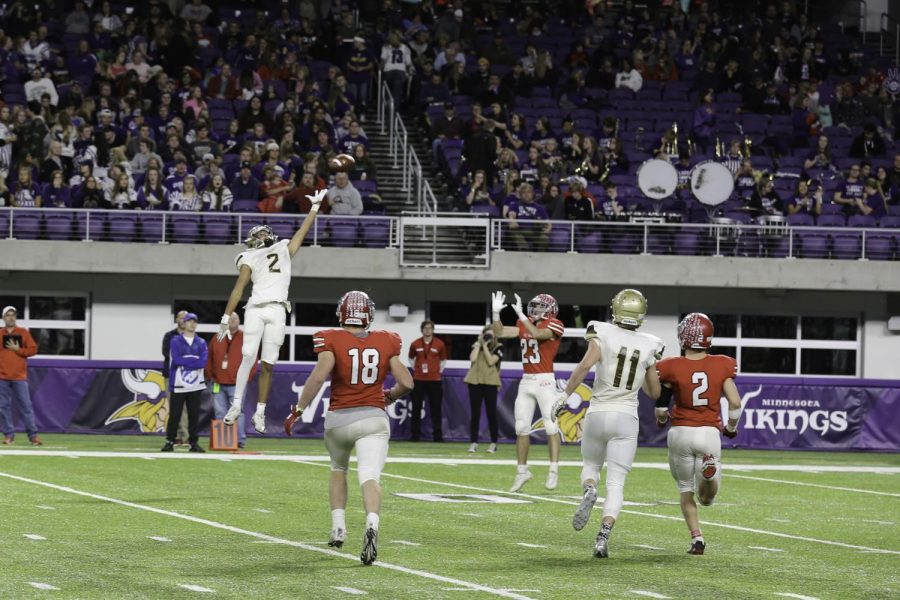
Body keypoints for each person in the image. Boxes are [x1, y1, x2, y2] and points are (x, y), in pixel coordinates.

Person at [283, 291, 413, 565]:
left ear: (342, 312)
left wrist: (298, 410)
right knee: (369, 476)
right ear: (368, 314)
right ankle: (372, 524)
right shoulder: (386, 340)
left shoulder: (331, 338)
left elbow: (319, 377)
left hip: (339, 419)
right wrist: (389, 396)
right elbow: (407, 383)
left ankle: (338, 527)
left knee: (338, 469)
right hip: (373, 418)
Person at [550, 289, 663, 559]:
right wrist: (648, 367)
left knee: (591, 466)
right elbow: (655, 393)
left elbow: (584, 365)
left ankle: (589, 488)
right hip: (626, 417)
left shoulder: (602, 332)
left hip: (599, 412)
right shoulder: (650, 343)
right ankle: (603, 536)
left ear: (616, 309)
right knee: (617, 483)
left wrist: (564, 395)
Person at [220, 188, 328, 433]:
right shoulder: (249, 256)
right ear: (252, 238)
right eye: (259, 231)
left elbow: (302, 233)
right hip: (256, 307)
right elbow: (238, 289)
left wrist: (314, 208)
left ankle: (260, 412)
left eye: (265, 230)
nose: (265, 232)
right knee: (248, 356)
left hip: (278, 309)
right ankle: (236, 406)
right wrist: (226, 317)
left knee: (269, 364)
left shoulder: (282, 248)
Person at [655, 313, 741, 555]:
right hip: (708, 432)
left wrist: (662, 419)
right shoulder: (722, 364)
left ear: (683, 337)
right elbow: (734, 402)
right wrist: (731, 429)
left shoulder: (670, 366)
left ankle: (697, 539)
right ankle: (708, 473)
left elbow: (661, 408)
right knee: (707, 499)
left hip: (680, 432)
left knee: (685, 490)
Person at [491, 291, 565, 491]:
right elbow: (499, 332)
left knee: (551, 427)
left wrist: (523, 317)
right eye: (535, 305)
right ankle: (522, 472)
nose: (536, 309)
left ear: (550, 309)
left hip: (545, 381)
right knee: (521, 427)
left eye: (541, 306)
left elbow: (538, 334)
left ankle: (553, 470)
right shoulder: (523, 323)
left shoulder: (555, 323)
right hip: (527, 381)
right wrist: (496, 314)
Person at [206, 313, 257, 449]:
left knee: (238, 412)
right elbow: (210, 357)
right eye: (231, 319)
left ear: (239, 321)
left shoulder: (245, 338)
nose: (233, 321)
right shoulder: (218, 337)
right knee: (220, 413)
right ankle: (222, 440)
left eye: (236, 318)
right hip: (218, 382)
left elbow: (253, 359)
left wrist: (247, 377)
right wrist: (209, 375)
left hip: (237, 384)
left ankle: (240, 440)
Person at [162, 313, 207, 453]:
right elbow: (176, 359)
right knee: (175, 414)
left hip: (196, 384)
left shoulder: (201, 342)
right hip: (178, 383)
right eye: (189, 321)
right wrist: (194, 361)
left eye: (195, 322)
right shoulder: (175, 341)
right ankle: (170, 441)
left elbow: (203, 362)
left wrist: (187, 361)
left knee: (193, 415)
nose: (192, 324)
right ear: (184, 323)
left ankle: (193, 442)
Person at [0, 306, 41, 446]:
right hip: (2, 377)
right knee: (3, 407)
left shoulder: (23, 332)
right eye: (8, 315)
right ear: (3, 318)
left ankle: (33, 436)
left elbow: (33, 349)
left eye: (13, 315)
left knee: (26, 406)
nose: (10, 317)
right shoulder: (0, 334)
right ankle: (9, 435)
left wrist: (19, 350)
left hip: (19, 377)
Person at [464, 325, 503, 453]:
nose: (488, 337)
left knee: (491, 413)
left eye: (491, 335)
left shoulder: (499, 347)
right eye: (487, 334)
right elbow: (472, 358)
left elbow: (491, 361)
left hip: (490, 382)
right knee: (475, 414)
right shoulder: (477, 345)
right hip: (475, 381)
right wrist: (480, 343)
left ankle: (493, 443)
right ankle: (473, 442)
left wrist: (485, 346)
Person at [407, 320, 447, 442]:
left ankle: (438, 436)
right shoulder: (415, 344)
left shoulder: (440, 344)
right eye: (425, 328)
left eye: (430, 328)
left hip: (434, 381)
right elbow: (410, 358)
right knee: (416, 408)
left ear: (433, 330)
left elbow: (443, 361)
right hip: (418, 380)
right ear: (422, 329)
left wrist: (437, 372)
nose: (427, 330)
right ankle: (415, 436)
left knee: (436, 409)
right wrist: (417, 369)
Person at [161, 310, 190, 444]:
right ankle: (176, 435)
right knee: (173, 407)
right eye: (181, 317)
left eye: (186, 318)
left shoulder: (192, 337)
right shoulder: (169, 336)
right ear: (176, 320)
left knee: (185, 407)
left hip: (188, 376)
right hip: (171, 375)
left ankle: (185, 435)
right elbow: (167, 352)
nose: (183, 320)